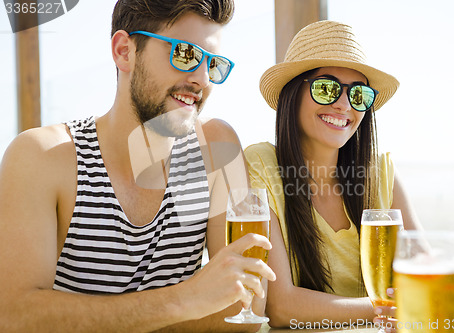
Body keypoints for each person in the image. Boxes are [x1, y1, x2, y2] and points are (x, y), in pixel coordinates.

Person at [0, 0, 275, 332]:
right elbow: (15, 316)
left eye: (213, 64)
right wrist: (184, 301)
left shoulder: (215, 147)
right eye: (185, 54)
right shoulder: (43, 156)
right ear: (123, 51)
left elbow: (244, 306)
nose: (202, 79)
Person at [245, 20, 422, 330]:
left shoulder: (380, 172)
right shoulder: (261, 165)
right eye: (326, 89)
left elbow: (425, 273)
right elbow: (280, 305)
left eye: (358, 95)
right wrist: (384, 308)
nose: (343, 105)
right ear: (292, 94)